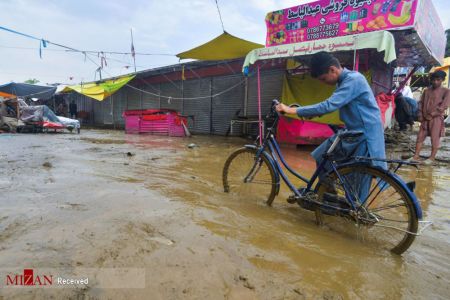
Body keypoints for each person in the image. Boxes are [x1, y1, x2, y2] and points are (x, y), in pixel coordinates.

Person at [276, 51, 386, 172]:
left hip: (364, 135)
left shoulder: (353, 80)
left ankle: (336, 188)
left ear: (332, 69)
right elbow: (329, 106)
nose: (324, 83)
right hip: (352, 133)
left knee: (357, 179)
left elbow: (328, 106)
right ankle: (326, 190)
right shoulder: (343, 82)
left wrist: (290, 110)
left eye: (323, 79)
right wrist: (312, 113)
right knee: (322, 157)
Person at [411, 70, 450, 164]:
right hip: (424, 118)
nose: (435, 82)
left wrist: (432, 114)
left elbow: (444, 105)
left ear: (442, 80)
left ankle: (431, 158)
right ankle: (416, 156)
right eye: (433, 80)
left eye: (438, 80)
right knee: (420, 136)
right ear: (431, 80)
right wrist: (420, 114)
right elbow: (421, 103)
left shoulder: (446, 91)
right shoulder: (426, 91)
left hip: (436, 118)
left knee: (434, 138)